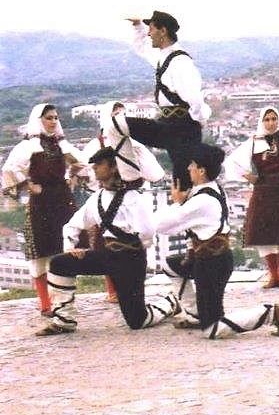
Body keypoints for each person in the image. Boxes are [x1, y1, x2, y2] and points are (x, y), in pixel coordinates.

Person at [34, 147, 179, 335]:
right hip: (107, 255)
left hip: (131, 260)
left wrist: (136, 249)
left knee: (137, 320)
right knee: (59, 263)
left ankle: (170, 302)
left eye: (100, 164)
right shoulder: (97, 198)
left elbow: (147, 231)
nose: (94, 168)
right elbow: (72, 225)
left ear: (114, 167)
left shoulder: (134, 197)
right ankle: (64, 320)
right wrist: (70, 247)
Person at [156, 143, 279, 339]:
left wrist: (177, 203)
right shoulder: (212, 189)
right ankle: (196, 313)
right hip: (209, 259)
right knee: (171, 266)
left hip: (211, 265)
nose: (188, 168)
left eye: (192, 165)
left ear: (201, 171)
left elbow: (163, 225)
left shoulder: (202, 201)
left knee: (212, 329)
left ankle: (269, 313)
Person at [1, 104, 87, 316]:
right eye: (49, 117)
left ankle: (63, 301)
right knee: (40, 254)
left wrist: (72, 176)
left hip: (62, 201)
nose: (53, 121)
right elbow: (10, 169)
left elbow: (82, 163)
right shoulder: (28, 146)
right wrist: (29, 185)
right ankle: (46, 304)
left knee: (65, 249)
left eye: (56, 117)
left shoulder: (62, 145)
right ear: (38, 119)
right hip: (41, 204)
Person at [81, 101, 166, 303]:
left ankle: (133, 288)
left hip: (131, 198)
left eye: (123, 114)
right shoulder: (95, 145)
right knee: (105, 241)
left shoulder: (134, 144)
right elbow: (86, 172)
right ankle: (113, 289)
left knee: (134, 240)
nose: (120, 118)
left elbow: (155, 174)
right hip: (107, 198)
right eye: (115, 114)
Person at [223, 107, 279, 289]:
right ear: (262, 121)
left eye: (274, 119)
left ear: (278, 121)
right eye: (267, 119)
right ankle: (273, 275)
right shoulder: (253, 142)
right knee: (264, 233)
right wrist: (249, 176)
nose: (271, 122)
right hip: (262, 189)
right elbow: (232, 161)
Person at [124, 11, 211, 190]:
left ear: (163, 31)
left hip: (183, 128)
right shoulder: (164, 56)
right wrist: (137, 26)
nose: (149, 34)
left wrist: (199, 120)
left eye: (151, 29)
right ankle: (127, 175)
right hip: (169, 125)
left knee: (183, 183)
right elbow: (142, 48)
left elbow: (194, 98)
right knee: (117, 124)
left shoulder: (180, 62)